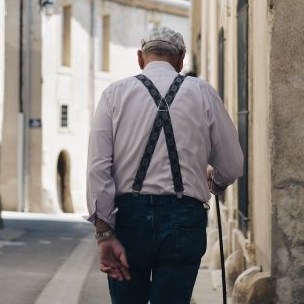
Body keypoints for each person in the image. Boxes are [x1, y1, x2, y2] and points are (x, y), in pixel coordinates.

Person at [86, 27, 243, 304]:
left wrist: (104, 232)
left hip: (129, 220)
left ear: (140, 58)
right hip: (184, 220)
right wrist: (214, 182)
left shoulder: (114, 94)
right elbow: (231, 165)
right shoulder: (203, 92)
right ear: (181, 59)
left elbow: (98, 168)